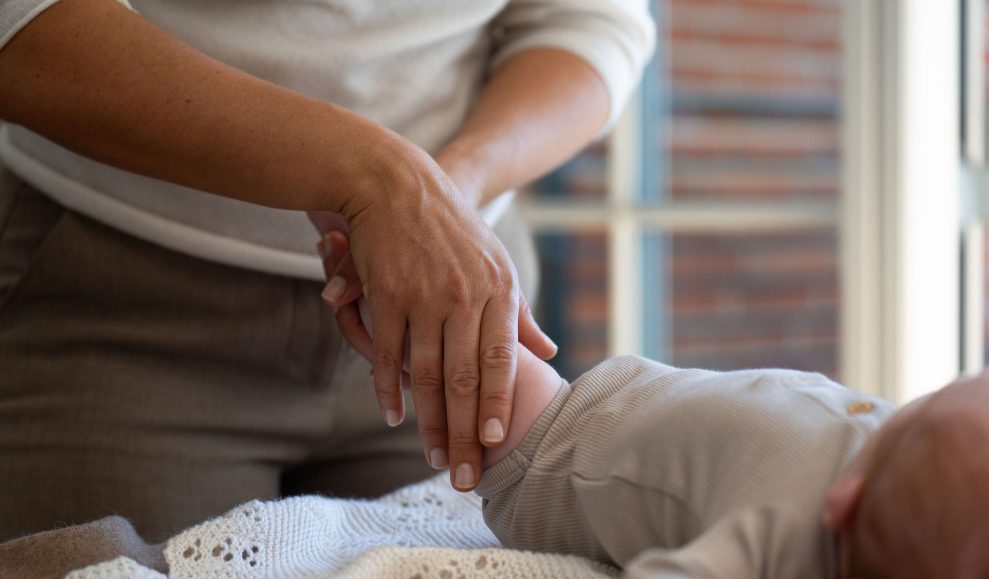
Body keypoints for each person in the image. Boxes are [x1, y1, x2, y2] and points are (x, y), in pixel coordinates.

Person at [0, 0, 654, 542]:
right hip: (118, 300)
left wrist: (447, 192)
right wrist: (375, 176)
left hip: (446, 312)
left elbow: (591, 19)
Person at [322, 228, 989, 579]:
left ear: (848, 498)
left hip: (559, 439)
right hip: (632, 389)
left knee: (465, 330)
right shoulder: (923, 481)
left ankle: (374, 256)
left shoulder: (783, 531)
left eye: (916, 413)